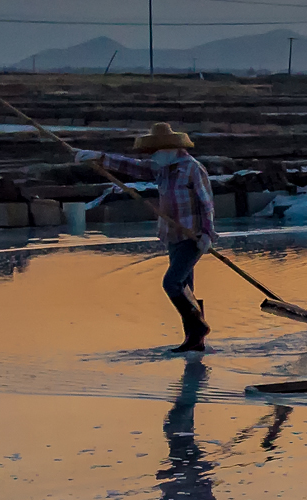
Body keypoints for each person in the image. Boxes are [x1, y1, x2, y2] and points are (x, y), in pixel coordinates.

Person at [74, 121, 218, 351]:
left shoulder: (192, 168)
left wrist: (208, 234)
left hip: (193, 236)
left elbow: (207, 203)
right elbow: (133, 167)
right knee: (185, 287)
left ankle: (198, 328)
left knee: (172, 282)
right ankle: (195, 339)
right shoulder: (162, 168)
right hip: (172, 236)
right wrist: (98, 157)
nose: (152, 157)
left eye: (155, 152)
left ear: (168, 149)